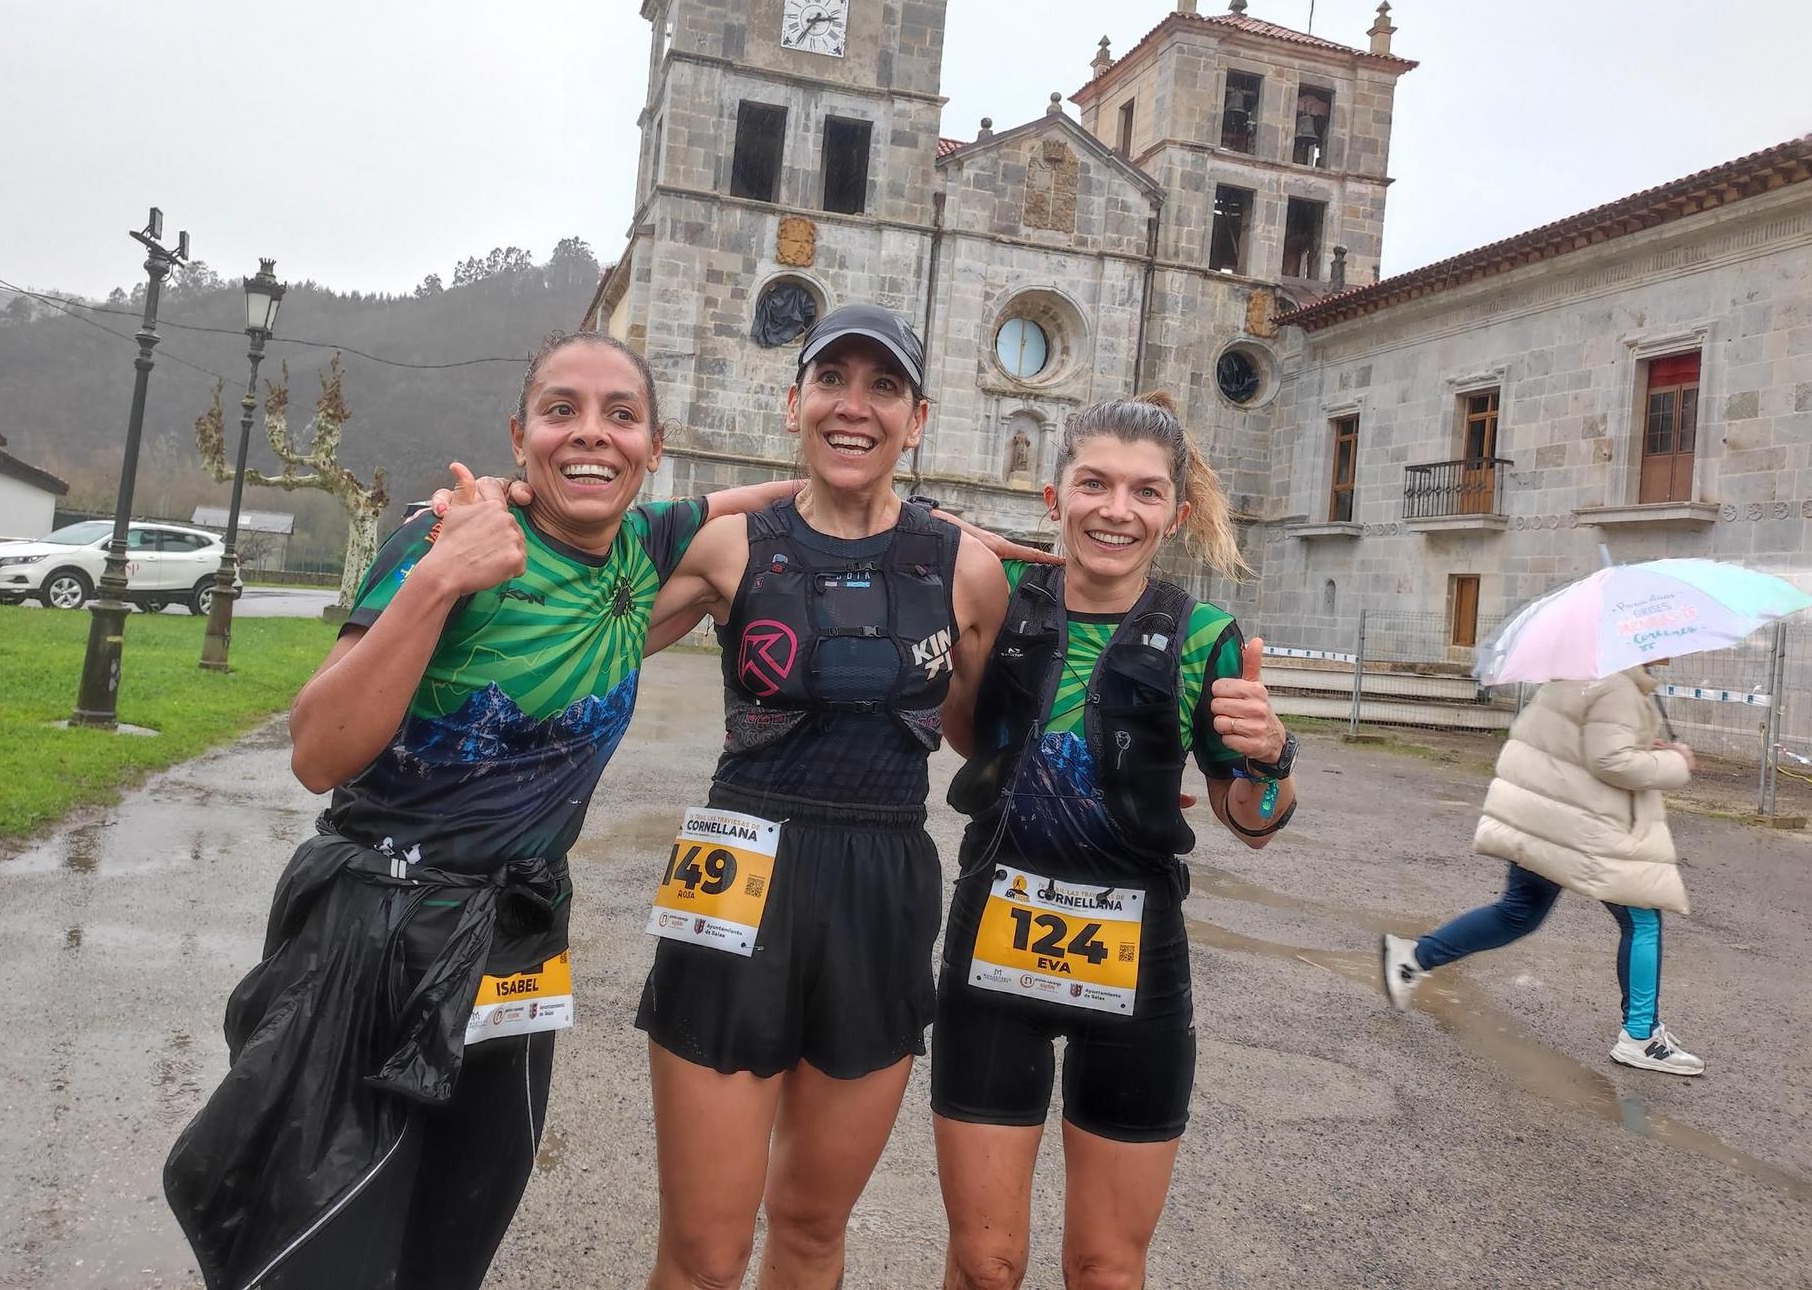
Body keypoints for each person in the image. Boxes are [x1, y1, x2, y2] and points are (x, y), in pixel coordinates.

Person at [165, 330, 800, 1290]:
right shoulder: (439, 537)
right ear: (520, 436)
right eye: (562, 411)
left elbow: (769, 499)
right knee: (317, 1245)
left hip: (518, 938)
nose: (592, 435)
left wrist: (915, 520)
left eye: (620, 416)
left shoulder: (646, 541)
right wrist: (440, 577)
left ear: (653, 446)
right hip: (372, 928)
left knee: (454, 1236)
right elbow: (315, 751)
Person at [632, 304, 1010, 1290]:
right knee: (704, 1252)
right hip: (735, 870)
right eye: (831, 381)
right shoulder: (728, 547)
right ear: (793, 400)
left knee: (806, 1225)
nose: (855, 406)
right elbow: (591, 631)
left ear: (916, 419)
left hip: (880, 886)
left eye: (882, 386)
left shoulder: (964, 568)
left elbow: (985, 732)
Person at [931, 392, 1300, 1290]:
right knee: (986, 1262)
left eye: (1144, 491)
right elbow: (961, 726)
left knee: (1104, 1268)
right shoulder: (1005, 600)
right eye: (1094, 483)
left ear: (1174, 513)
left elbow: (1250, 820)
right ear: (1055, 497)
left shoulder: (1206, 637)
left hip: (1138, 969)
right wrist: (933, 536)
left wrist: (1270, 754)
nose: (1116, 509)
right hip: (994, 947)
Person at [1381, 666, 1703, 1075]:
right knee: (1642, 917)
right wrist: (1673, 762)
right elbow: (1610, 761)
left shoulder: (1579, 673)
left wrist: (1646, 749)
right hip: (1582, 825)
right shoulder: (1618, 686)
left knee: (1518, 912)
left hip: (1548, 817)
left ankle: (1413, 957)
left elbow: (1582, 744)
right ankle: (1640, 1036)